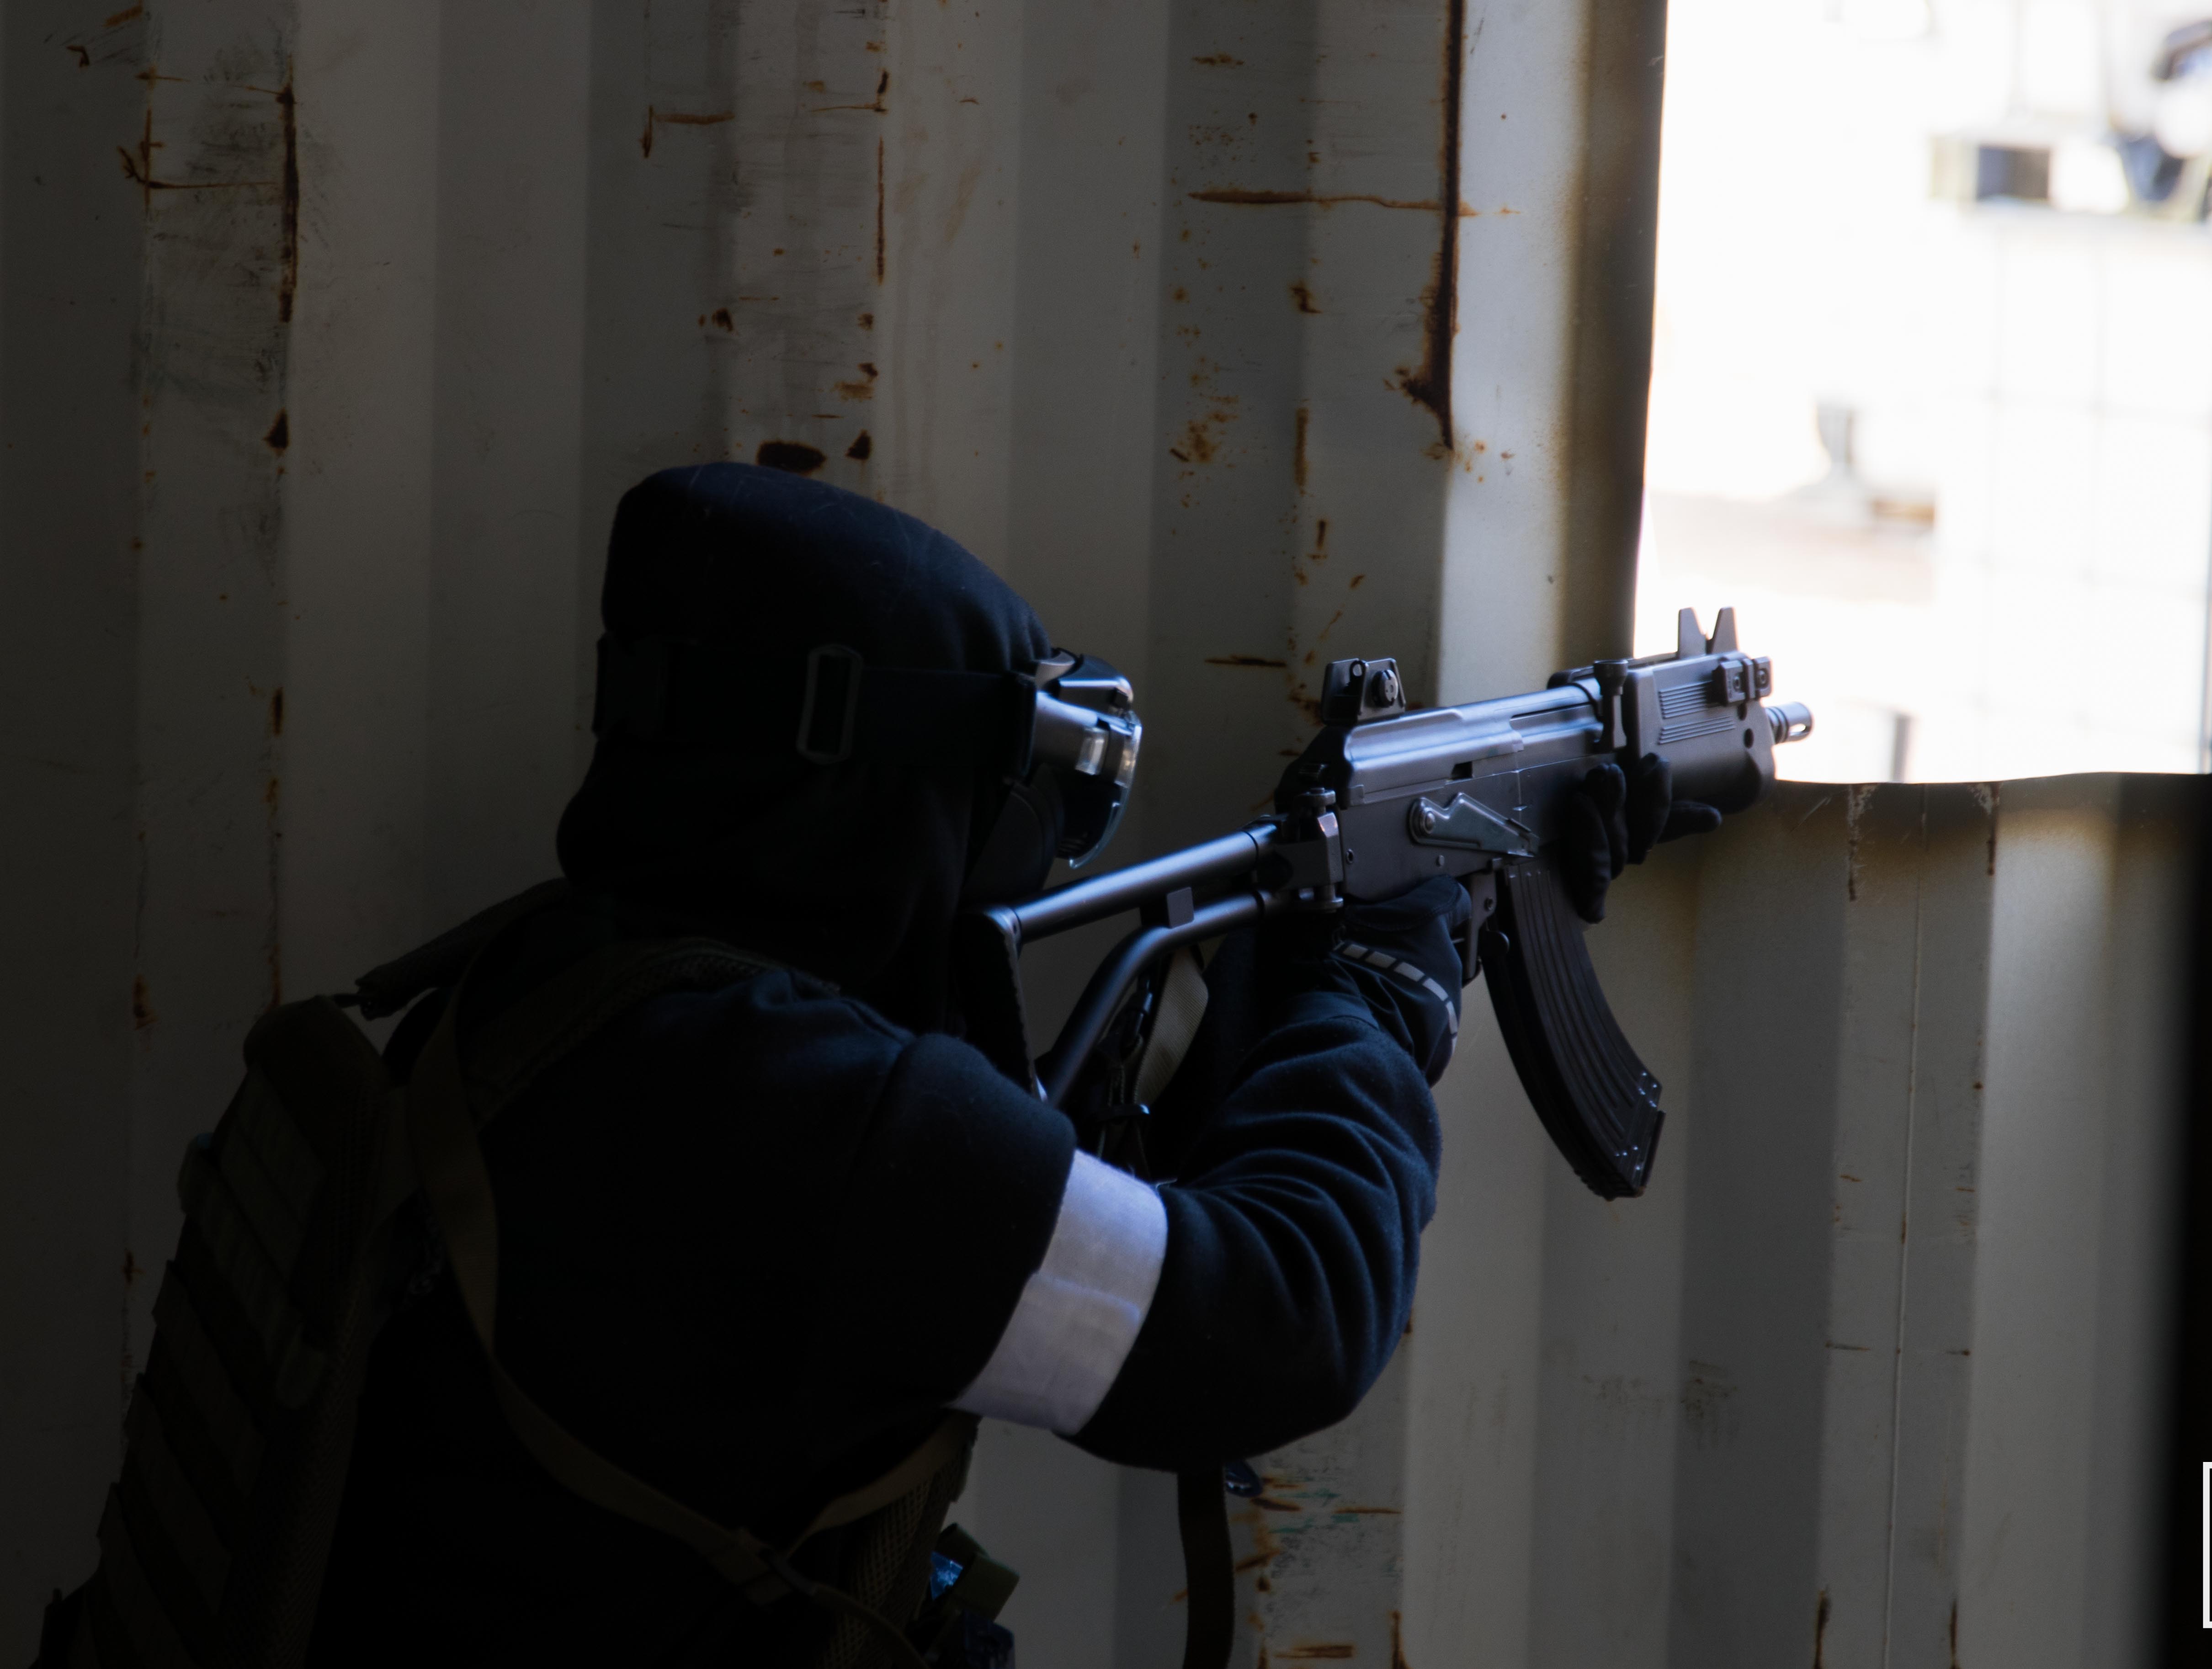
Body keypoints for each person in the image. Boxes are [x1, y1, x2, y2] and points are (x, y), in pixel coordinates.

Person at [303, 463, 1478, 1668]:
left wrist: (1271, 987)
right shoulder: (800, 1117)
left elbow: (1005, 1191)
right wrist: (1373, 993)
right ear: (885, 785)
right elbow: (1286, 1317)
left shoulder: (556, 985)